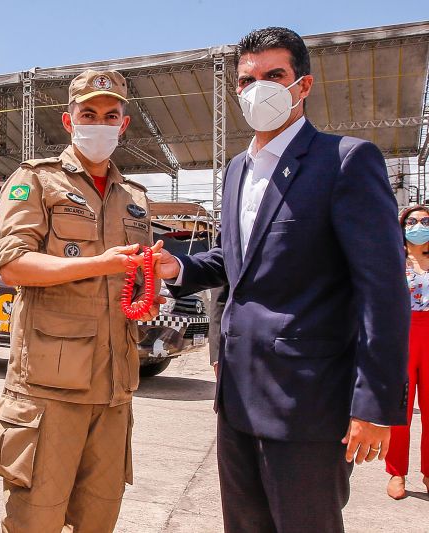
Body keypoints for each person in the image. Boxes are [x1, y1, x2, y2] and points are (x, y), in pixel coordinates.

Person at [151, 27, 410, 532]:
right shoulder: (235, 171)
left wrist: (376, 405)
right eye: (248, 80)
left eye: (275, 76)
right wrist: (178, 267)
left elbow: (382, 290)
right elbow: (235, 260)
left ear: (303, 86)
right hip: (237, 396)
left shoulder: (345, 162)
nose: (259, 89)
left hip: (307, 402)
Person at [0, 69, 160, 533]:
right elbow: (13, 265)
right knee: (35, 521)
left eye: (110, 115)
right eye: (89, 114)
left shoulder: (135, 197)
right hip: (49, 390)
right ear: (69, 120)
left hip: (114, 389)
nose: (99, 123)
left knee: (99, 519)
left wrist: (151, 278)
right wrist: (97, 264)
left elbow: (138, 285)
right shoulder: (35, 180)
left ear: (123, 125)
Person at [386, 205, 429, 499]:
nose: (419, 225)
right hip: (401, 337)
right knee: (400, 409)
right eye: (412, 221)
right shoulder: (392, 262)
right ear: (402, 227)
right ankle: (396, 472)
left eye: (425, 221)